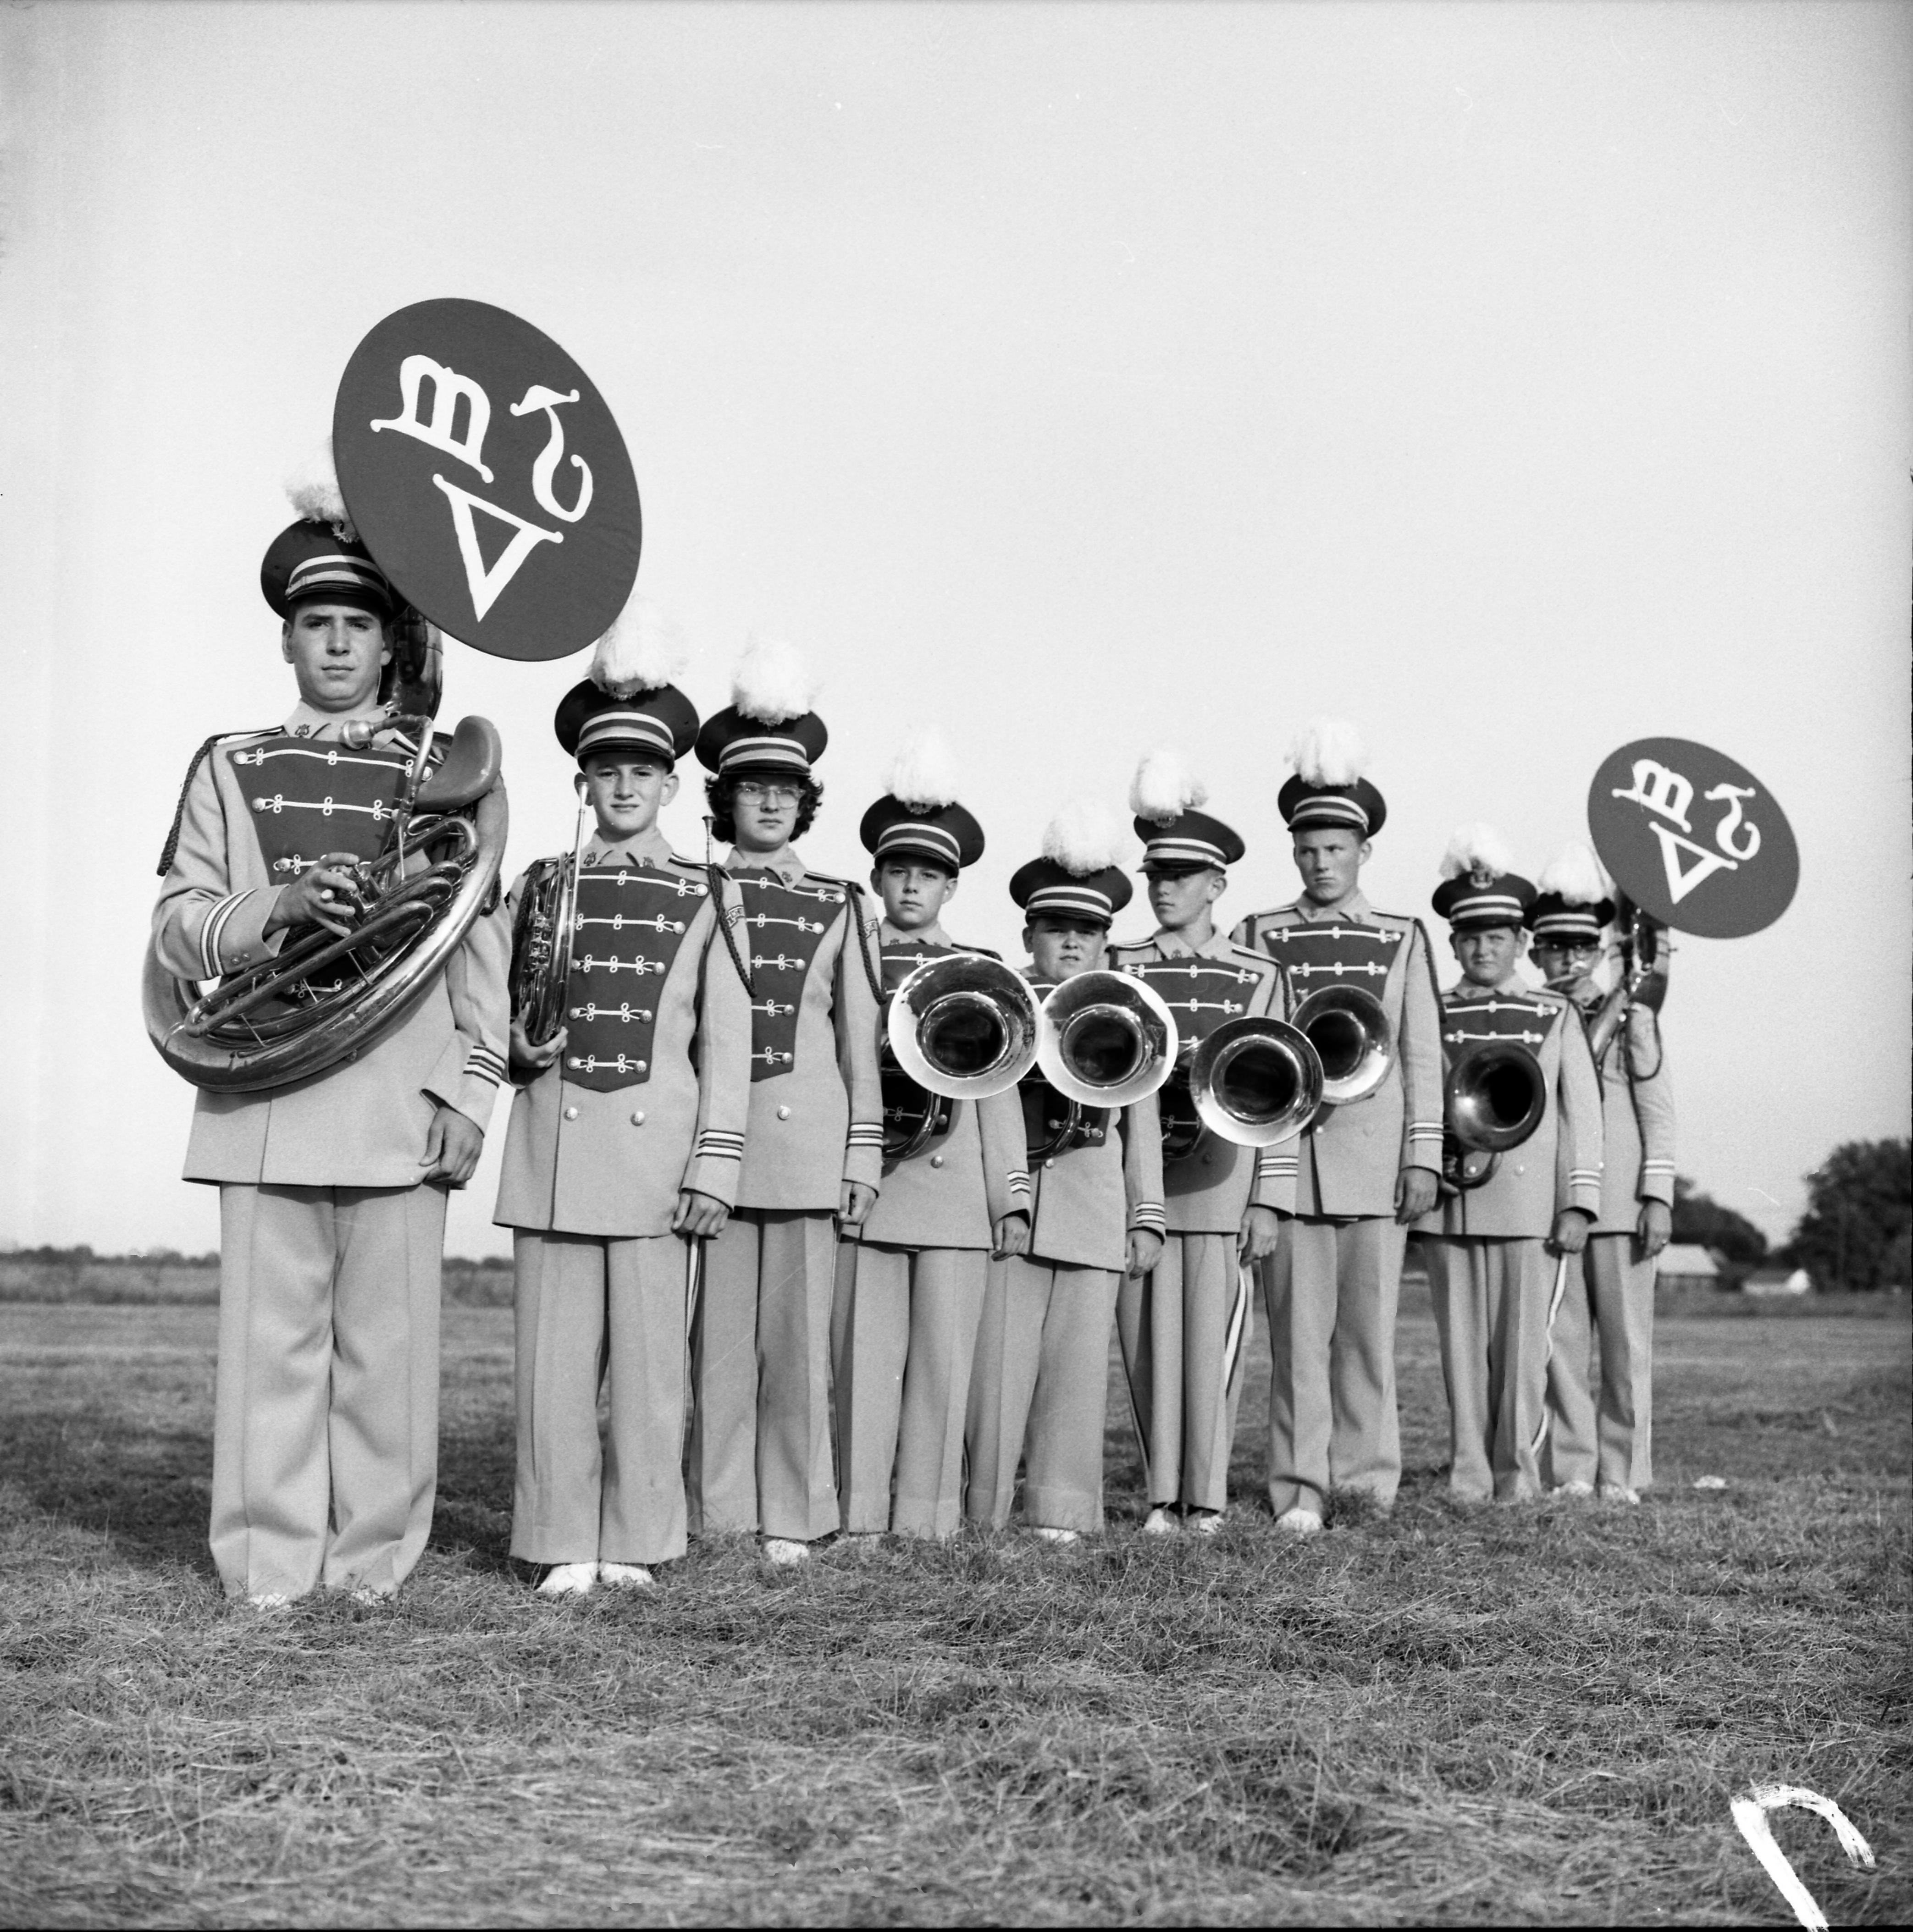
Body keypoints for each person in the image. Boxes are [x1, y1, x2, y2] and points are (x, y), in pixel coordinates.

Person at [149, 466, 509, 1606]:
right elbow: (177, 929)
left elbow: (478, 942)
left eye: (359, 623)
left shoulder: (441, 773)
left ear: (391, 641)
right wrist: (282, 910)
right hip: (265, 1092)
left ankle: (372, 1569)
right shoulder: (230, 764)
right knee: (271, 1352)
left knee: (388, 1359)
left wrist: (471, 1091)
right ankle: (268, 1567)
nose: (340, 643)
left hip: (402, 1097)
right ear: (288, 640)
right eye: (317, 624)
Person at [493, 603, 750, 1596]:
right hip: (555, 1152)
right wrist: (508, 1046)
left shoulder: (707, 893)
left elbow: (727, 1042)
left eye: (644, 770)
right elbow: (484, 996)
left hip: (657, 1162)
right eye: (607, 770)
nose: (626, 786)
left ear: (673, 784)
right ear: (583, 782)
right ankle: (560, 1537)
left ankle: (640, 1536)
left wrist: (715, 1164)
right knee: (554, 1369)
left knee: (649, 1370)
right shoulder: (541, 883)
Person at [685, 636, 884, 1566]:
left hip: (809, 1147)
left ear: (806, 802)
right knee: (718, 1346)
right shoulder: (693, 890)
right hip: (712, 1145)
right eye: (751, 789)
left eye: (786, 790)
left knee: (801, 1348)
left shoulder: (843, 902)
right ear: (724, 800)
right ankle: (722, 1512)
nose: (769, 803)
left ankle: (797, 1514)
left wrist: (861, 1154)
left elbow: (858, 1044)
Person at [1231, 719, 1444, 1535]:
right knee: (1295, 1340)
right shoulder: (1260, 935)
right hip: (1289, 1167)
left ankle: (1365, 1482)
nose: (1321, 863)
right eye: (1308, 849)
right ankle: (1299, 1488)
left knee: (1366, 1336)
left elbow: (1421, 1054)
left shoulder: (1403, 937)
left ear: (1364, 851)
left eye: (1336, 848)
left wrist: (1423, 1155)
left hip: (1375, 1163)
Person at [832, 731, 1031, 1540]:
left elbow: (1000, 1093)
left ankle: (929, 1517)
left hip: (954, 1191)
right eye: (898, 871)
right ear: (877, 879)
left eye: (928, 874)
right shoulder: (850, 953)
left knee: (945, 1362)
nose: (912, 885)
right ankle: (858, 1512)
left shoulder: (981, 967)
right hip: (873, 1180)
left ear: (951, 885)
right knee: (864, 1359)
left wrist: (1010, 1197)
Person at [966, 805, 1167, 1543]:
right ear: (1029, 936)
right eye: (1055, 928)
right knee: (998, 1370)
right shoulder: (1000, 1001)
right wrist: (1004, 1200)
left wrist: (1147, 1214)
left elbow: (1141, 1121)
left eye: (1087, 929)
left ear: (1107, 939)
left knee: (1078, 1373)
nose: (1072, 941)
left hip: (1092, 1203)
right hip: (1015, 1210)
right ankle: (982, 1507)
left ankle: (1061, 1510)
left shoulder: (1128, 1008)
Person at [1111, 752, 1288, 1536]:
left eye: (1181, 876)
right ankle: (1161, 1495)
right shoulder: (1122, 963)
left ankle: (1206, 1498)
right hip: (1141, 1190)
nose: (1164, 888)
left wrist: (1271, 1197)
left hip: (1222, 1187)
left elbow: (1287, 1093)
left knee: (1215, 1349)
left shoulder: (1258, 974)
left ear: (1217, 884)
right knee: (1146, 1347)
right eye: (1156, 875)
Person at [1412, 824, 1602, 1504]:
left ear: (1522, 942)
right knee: (1462, 1350)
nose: (1482, 949)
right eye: (1469, 937)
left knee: (1524, 1352)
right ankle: (1469, 1475)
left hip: (1530, 1208)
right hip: (1454, 1202)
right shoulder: (1434, 1011)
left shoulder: (1554, 1012)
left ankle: (1518, 1476)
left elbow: (1583, 1114)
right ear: (1453, 944)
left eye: (1496, 937)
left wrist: (1579, 1201)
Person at [1529, 843, 1675, 1505]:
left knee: (1625, 1346)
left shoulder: (1633, 1015)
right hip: (1550, 1203)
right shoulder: (1530, 1016)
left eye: (1579, 948)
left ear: (1597, 951)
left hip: (1620, 1206)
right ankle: (1572, 1468)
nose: (1567, 960)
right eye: (1553, 948)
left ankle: (1622, 1471)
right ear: (1536, 953)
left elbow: (1657, 1110)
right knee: (1560, 1345)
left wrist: (1658, 1196)